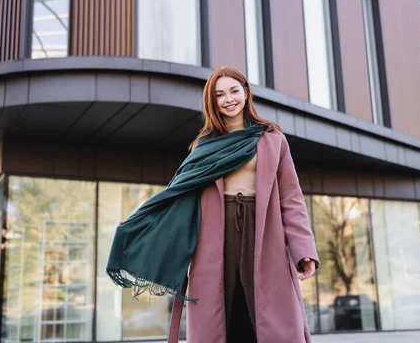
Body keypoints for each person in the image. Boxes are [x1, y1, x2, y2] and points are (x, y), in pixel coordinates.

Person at [107, 67, 319, 343]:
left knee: (267, 311)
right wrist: (138, 224)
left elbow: (291, 200)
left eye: (234, 90)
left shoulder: (272, 139)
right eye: (220, 94)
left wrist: (303, 249)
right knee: (221, 312)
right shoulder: (204, 146)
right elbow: (177, 194)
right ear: (212, 101)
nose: (228, 99)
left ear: (246, 93)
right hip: (215, 234)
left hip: (265, 233)